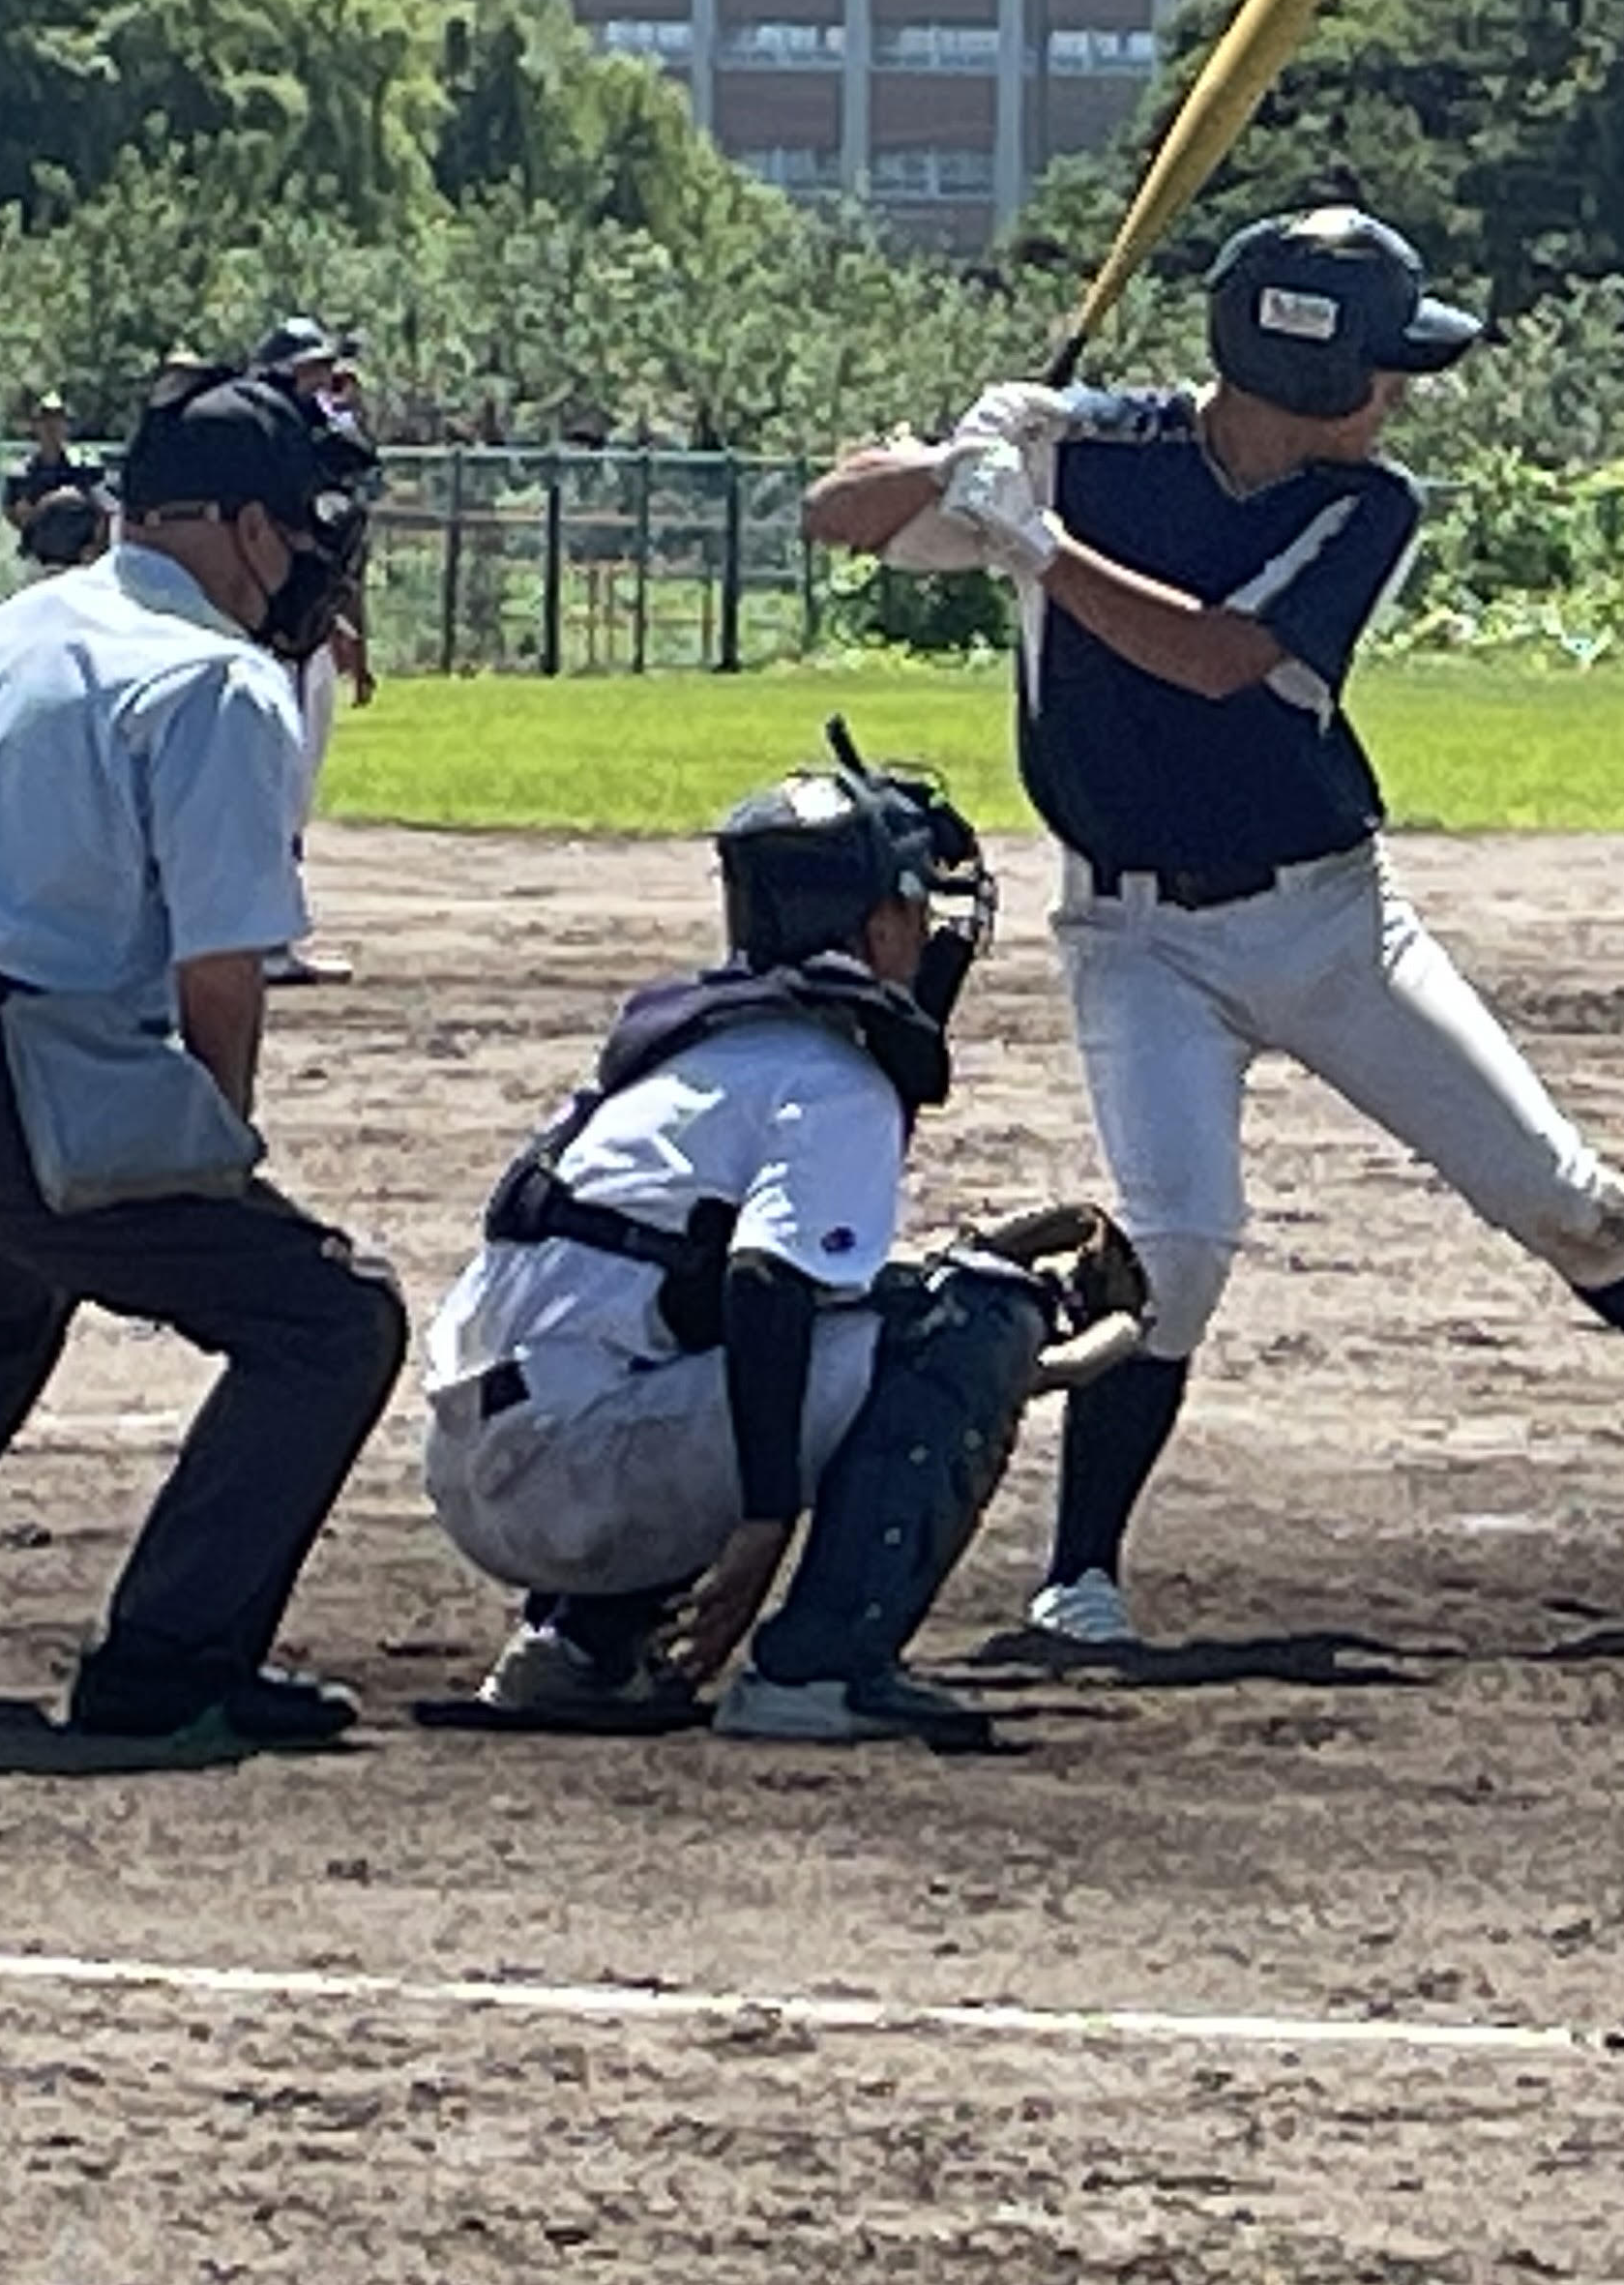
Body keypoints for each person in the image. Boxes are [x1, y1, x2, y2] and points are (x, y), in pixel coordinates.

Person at [800, 204, 1624, 1653]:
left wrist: (1035, 541)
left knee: (1561, 1196)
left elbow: (1213, 659)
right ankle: (1081, 1579)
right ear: (1304, 369)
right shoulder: (1088, 449)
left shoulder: (1367, 506)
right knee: (1177, 1248)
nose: (1400, 392)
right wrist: (960, 461)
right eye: (1381, 365)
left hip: (1330, 927)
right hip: (1134, 939)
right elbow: (833, 513)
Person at [0, 360, 406, 1747]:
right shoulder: (216, 680)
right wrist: (213, 1165)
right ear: (240, 525)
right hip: (0, 1075)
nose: (309, 559)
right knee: (329, 1320)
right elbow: (221, 974)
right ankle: (168, 1656)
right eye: (298, 526)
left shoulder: (13, 624)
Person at [422, 733, 1121, 1742]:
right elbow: (763, 1285)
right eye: (918, 908)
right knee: (971, 1318)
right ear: (879, 925)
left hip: (479, 1462)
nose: (932, 936)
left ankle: (578, 1646)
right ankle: (820, 1674)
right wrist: (764, 1523)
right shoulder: (832, 1076)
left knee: (805, 1318)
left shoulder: (698, 1049)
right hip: (582, 1472)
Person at [249, 317, 370, 987]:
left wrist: (338, 623)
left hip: (307, 638)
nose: (322, 381)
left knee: (292, 792)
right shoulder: (262, 444)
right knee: (272, 788)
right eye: (309, 370)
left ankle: (274, 935)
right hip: (270, 644)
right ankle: (263, 940)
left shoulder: (317, 443)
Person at [0, 394, 97, 558]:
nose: (51, 426)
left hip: (79, 557)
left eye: (57, 419)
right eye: (44, 419)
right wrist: (35, 512)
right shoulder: (22, 472)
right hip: (39, 556)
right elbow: (12, 512)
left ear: (66, 425)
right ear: (35, 425)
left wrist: (95, 545)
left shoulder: (84, 467)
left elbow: (103, 510)